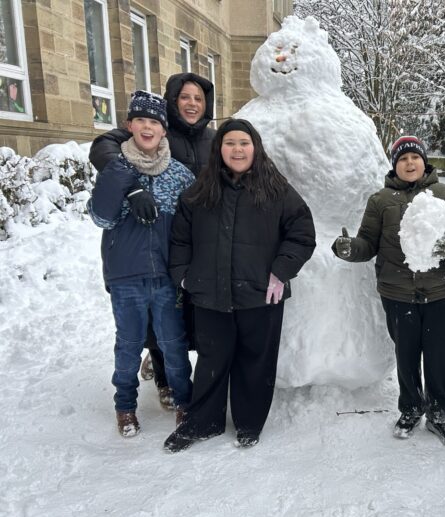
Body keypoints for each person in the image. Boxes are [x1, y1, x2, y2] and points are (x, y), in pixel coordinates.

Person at [163, 119, 316, 452]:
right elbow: (179, 240)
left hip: (261, 293)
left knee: (255, 362)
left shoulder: (276, 189)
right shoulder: (200, 191)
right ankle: (203, 423)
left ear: (255, 148)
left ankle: (249, 423)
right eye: (229, 142)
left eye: (244, 143)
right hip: (209, 292)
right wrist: (185, 275)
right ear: (219, 149)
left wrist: (281, 271)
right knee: (211, 362)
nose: (237, 149)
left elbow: (302, 233)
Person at [332, 136, 445, 449]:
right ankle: (411, 409)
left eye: (415, 157)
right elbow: (367, 243)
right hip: (396, 292)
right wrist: (349, 249)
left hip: (438, 291)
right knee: (406, 355)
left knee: (439, 356)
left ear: (424, 162)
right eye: (402, 159)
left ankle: (440, 415)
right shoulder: (380, 200)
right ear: (395, 165)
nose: (409, 163)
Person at [89, 73, 216, 410]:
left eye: (198, 98)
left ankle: (183, 396)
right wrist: (126, 186)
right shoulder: (120, 161)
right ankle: (128, 403)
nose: (191, 103)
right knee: (131, 341)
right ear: (131, 125)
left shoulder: (200, 151)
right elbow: (102, 215)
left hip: (169, 268)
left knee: (174, 337)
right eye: (184, 97)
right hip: (127, 272)